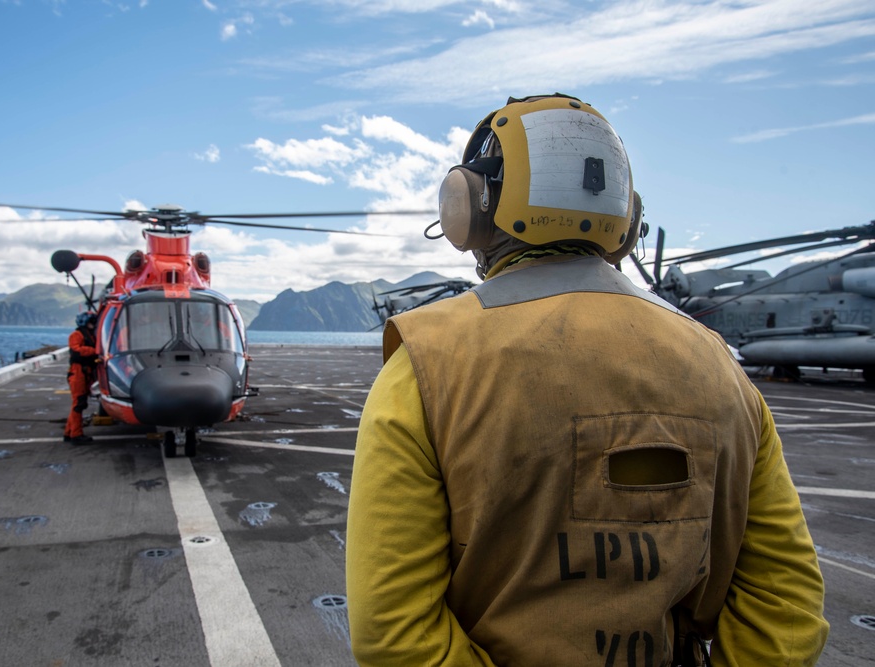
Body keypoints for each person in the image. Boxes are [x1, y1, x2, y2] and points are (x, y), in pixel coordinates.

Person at [345, 93, 829, 666]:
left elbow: (391, 629)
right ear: (626, 219)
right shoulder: (721, 366)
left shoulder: (425, 364)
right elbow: (789, 604)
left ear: (468, 207)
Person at [64, 311, 98, 444]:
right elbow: (76, 351)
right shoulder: (76, 335)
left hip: (85, 373)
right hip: (78, 373)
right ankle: (76, 434)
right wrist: (94, 351)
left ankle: (69, 432)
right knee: (79, 404)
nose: (93, 324)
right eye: (91, 322)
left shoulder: (90, 336)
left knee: (79, 404)